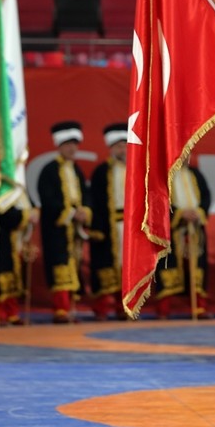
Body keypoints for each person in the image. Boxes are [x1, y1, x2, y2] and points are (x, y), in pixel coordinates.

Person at [37, 121, 90, 323]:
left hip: (74, 230)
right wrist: (69, 212)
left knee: (74, 266)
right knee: (60, 266)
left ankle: (72, 308)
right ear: (59, 146)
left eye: (75, 144)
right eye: (68, 144)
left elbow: (85, 194)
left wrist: (85, 211)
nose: (72, 148)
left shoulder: (76, 170)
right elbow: (47, 198)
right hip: (57, 228)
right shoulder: (49, 170)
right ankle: (60, 309)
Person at [153, 155, 212, 320]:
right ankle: (164, 309)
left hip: (195, 228)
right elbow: (159, 200)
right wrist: (179, 213)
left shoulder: (196, 174)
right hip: (171, 229)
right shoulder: (163, 175)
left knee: (197, 267)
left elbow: (206, 197)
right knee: (168, 267)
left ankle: (199, 307)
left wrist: (198, 212)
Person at [88, 123, 128, 322]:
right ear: (111, 148)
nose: (123, 150)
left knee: (127, 268)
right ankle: (102, 309)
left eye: (125, 145)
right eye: (119, 146)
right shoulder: (102, 172)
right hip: (109, 225)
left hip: (130, 227)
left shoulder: (137, 170)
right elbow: (95, 200)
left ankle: (126, 308)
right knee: (105, 267)